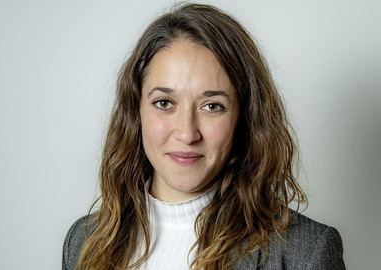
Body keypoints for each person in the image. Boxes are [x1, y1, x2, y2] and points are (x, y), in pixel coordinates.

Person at [62, 3, 346, 270]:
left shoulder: (306, 252)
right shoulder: (83, 241)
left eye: (212, 106)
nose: (187, 133)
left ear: (244, 117)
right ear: (136, 109)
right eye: (164, 102)